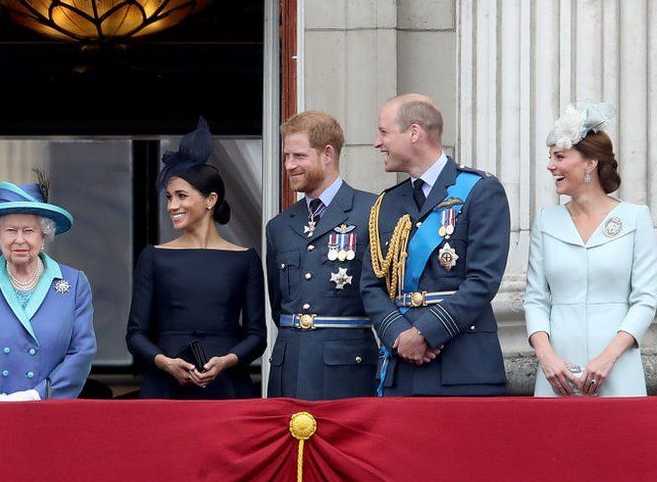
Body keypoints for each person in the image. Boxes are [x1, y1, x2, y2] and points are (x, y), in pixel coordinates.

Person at [361, 94, 510, 396]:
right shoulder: (387, 203)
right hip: (400, 368)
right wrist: (400, 334)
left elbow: (483, 281)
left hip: (463, 368)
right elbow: (370, 285)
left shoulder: (479, 190)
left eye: (384, 132)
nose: (377, 143)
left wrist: (426, 333)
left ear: (414, 133)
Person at [126, 118, 266, 399]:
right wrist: (165, 362)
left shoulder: (245, 259)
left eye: (181, 196)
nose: (172, 206)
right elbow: (135, 335)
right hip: (165, 386)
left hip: (227, 387)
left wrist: (227, 360)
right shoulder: (154, 257)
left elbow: (257, 336)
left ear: (210, 200)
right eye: (168, 197)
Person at [525, 102, 656, 397]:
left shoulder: (635, 218)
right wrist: (546, 357)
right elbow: (535, 299)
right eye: (550, 157)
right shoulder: (546, 220)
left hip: (617, 366)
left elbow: (645, 299)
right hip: (557, 371)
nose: (550, 166)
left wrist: (608, 358)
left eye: (559, 156)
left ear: (590, 163)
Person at [0, 180, 96, 401]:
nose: (19, 240)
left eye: (29, 230)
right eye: (10, 230)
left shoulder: (73, 283)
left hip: (48, 410)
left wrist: (37, 395)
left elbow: (81, 352)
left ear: (43, 235)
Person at [265, 111, 379, 399]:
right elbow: (279, 305)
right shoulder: (279, 226)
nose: (289, 165)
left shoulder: (372, 212)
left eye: (298, 156)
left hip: (347, 370)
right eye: (286, 156)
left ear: (327, 154)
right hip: (289, 368)